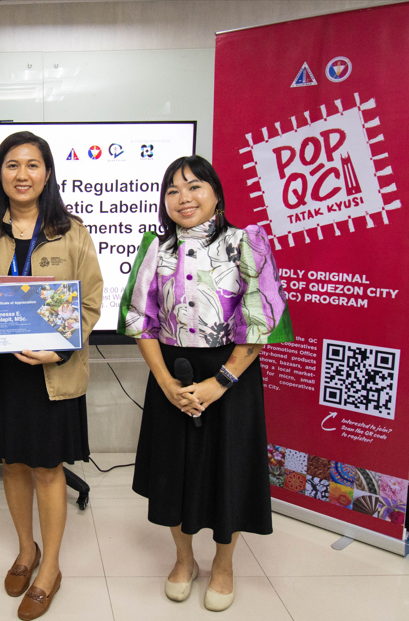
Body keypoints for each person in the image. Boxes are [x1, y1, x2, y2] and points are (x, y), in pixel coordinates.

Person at [118, 155, 293, 612]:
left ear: (216, 193)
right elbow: (140, 321)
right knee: (172, 472)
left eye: (194, 186)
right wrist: (164, 383)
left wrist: (220, 382)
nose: (183, 197)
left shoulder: (246, 242)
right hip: (170, 375)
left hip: (232, 377)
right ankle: (183, 560)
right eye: (172, 190)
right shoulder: (155, 247)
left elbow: (261, 322)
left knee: (226, 472)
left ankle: (223, 565)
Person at [0, 131, 103, 621]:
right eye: (12, 165)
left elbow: (90, 303)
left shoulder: (71, 232)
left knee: (47, 468)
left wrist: (60, 349)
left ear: (47, 173)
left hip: (51, 372)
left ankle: (50, 568)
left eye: (32, 165)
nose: (22, 174)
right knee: (12, 463)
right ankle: (26, 549)